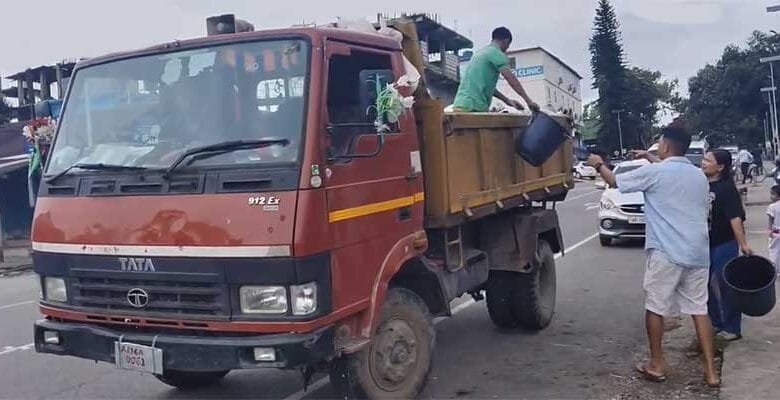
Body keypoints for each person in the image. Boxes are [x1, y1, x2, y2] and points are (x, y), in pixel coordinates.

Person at [587, 122, 720, 387]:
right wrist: (650, 158)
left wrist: (598, 164)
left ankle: (657, 364)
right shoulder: (698, 176)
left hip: (667, 252)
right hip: (698, 253)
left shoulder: (656, 173)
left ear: (667, 145)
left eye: (659, 142)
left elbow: (614, 181)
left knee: (655, 309)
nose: (657, 146)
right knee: (699, 310)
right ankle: (711, 373)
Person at [701, 149, 752, 342]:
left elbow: (735, 218)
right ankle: (715, 322)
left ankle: (732, 327)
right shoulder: (703, 184)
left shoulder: (726, 189)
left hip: (725, 243)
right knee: (703, 284)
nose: (703, 163)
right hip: (705, 243)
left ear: (720, 166)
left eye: (708, 160)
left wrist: (743, 244)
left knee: (726, 284)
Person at [452, 27, 540, 113]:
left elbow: (489, 88)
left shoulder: (479, 54)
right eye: (508, 46)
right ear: (505, 41)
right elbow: (512, 80)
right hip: (474, 106)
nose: (507, 49)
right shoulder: (497, 54)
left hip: (460, 104)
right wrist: (529, 102)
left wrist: (507, 101)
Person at [768, 185, 780, 270]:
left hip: (776, 230)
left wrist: (769, 231)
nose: (771, 196)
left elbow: (770, 220)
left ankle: (774, 268)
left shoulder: (772, 206)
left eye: (773, 194)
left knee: (774, 250)